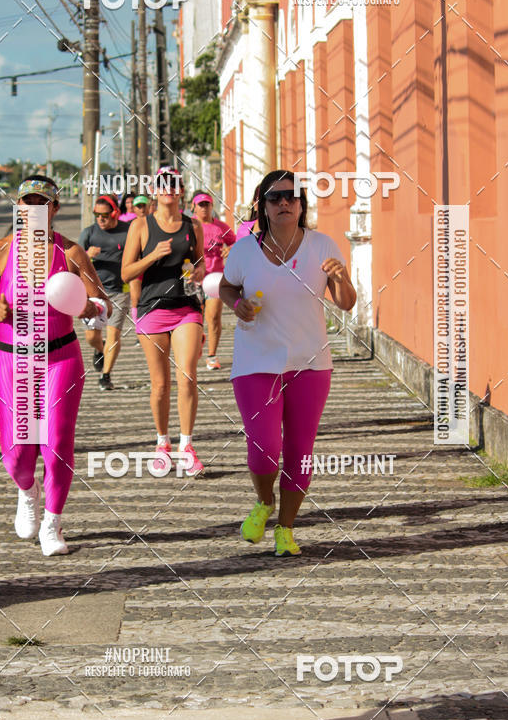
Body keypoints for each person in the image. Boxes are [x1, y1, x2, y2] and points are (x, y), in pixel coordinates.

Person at [220, 170, 356, 557]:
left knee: (300, 450)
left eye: (291, 197)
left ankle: (286, 528)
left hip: (310, 363)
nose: (284, 203)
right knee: (264, 445)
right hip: (255, 362)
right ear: (262, 207)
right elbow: (228, 286)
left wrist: (342, 279)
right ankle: (264, 502)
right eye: (275, 197)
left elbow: (346, 302)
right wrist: (236, 304)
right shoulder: (245, 250)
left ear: (301, 204)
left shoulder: (321, 246)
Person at [0, 176, 111, 556]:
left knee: (56, 441)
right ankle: (27, 490)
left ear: (54, 209)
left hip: (60, 357)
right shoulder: (0, 251)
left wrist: (88, 309)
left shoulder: (70, 253)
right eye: (26, 203)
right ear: (18, 209)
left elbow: (104, 308)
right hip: (12, 359)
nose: (33, 209)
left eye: (41, 203)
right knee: (18, 450)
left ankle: (53, 520)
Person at [122, 167, 206, 476]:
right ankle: (162, 443)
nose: (168, 189)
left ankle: (187, 446)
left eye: (174, 184)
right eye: (162, 184)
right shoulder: (141, 226)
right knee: (160, 385)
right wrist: (152, 255)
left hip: (186, 307)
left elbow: (200, 264)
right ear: (156, 191)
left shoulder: (193, 225)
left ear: (181, 190)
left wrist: (198, 273)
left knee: (187, 377)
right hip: (152, 308)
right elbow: (126, 273)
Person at [79, 194, 130, 391]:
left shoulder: (127, 232)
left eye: (105, 215)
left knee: (113, 335)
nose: (101, 219)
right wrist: (86, 256)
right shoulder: (89, 233)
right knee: (92, 337)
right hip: (93, 292)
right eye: (97, 215)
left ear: (115, 213)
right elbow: (73, 263)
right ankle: (99, 350)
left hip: (119, 290)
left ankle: (105, 375)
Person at [192, 192, 235, 370]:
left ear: (212, 206)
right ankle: (196, 341)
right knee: (194, 319)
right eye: (200, 204)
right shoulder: (189, 225)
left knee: (214, 317)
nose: (204, 208)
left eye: (207, 204)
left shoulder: (220, 227)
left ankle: (211, 355)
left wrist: (230, 249)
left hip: (215, 277)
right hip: (193, 279)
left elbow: (237, 242)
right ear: (193, 207)